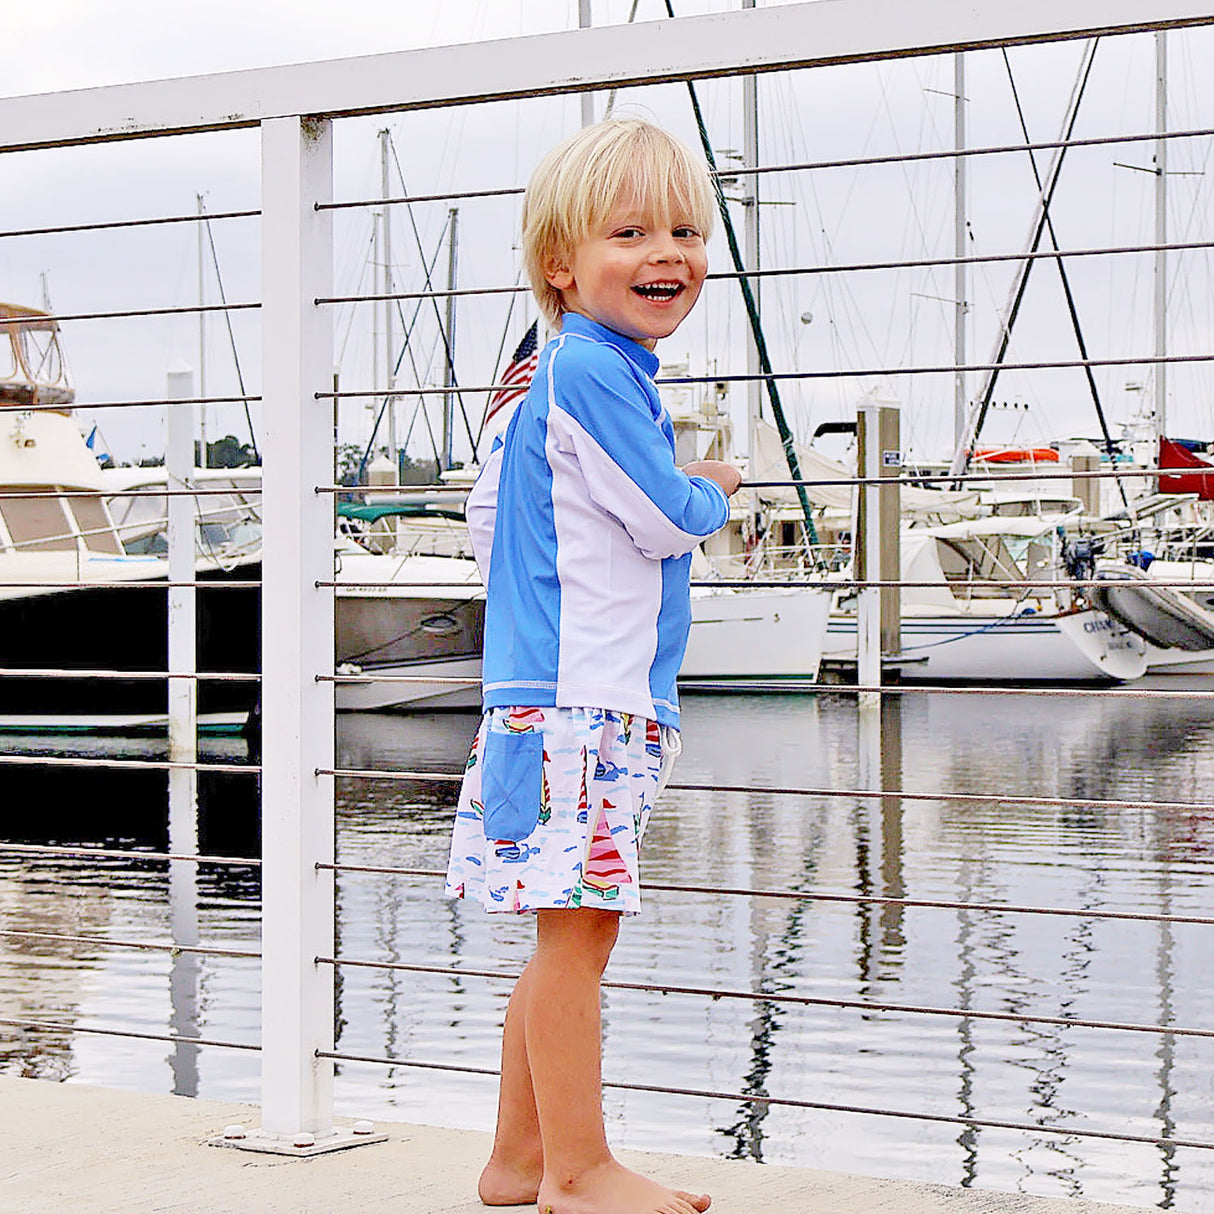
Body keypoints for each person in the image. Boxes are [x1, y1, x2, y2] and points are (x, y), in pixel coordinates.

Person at [444, 118, 742, 1214]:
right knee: (574, 936)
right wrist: (712, 486)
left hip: (549, 699)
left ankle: (518, 1157)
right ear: (560, 266)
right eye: (629, 231)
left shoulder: (545, 372)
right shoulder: (590, 366)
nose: (666, 252)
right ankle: (578, 1166)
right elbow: (665, 518)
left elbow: (487, 517)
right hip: (582, 702)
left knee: (571, 927)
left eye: (684, 230)